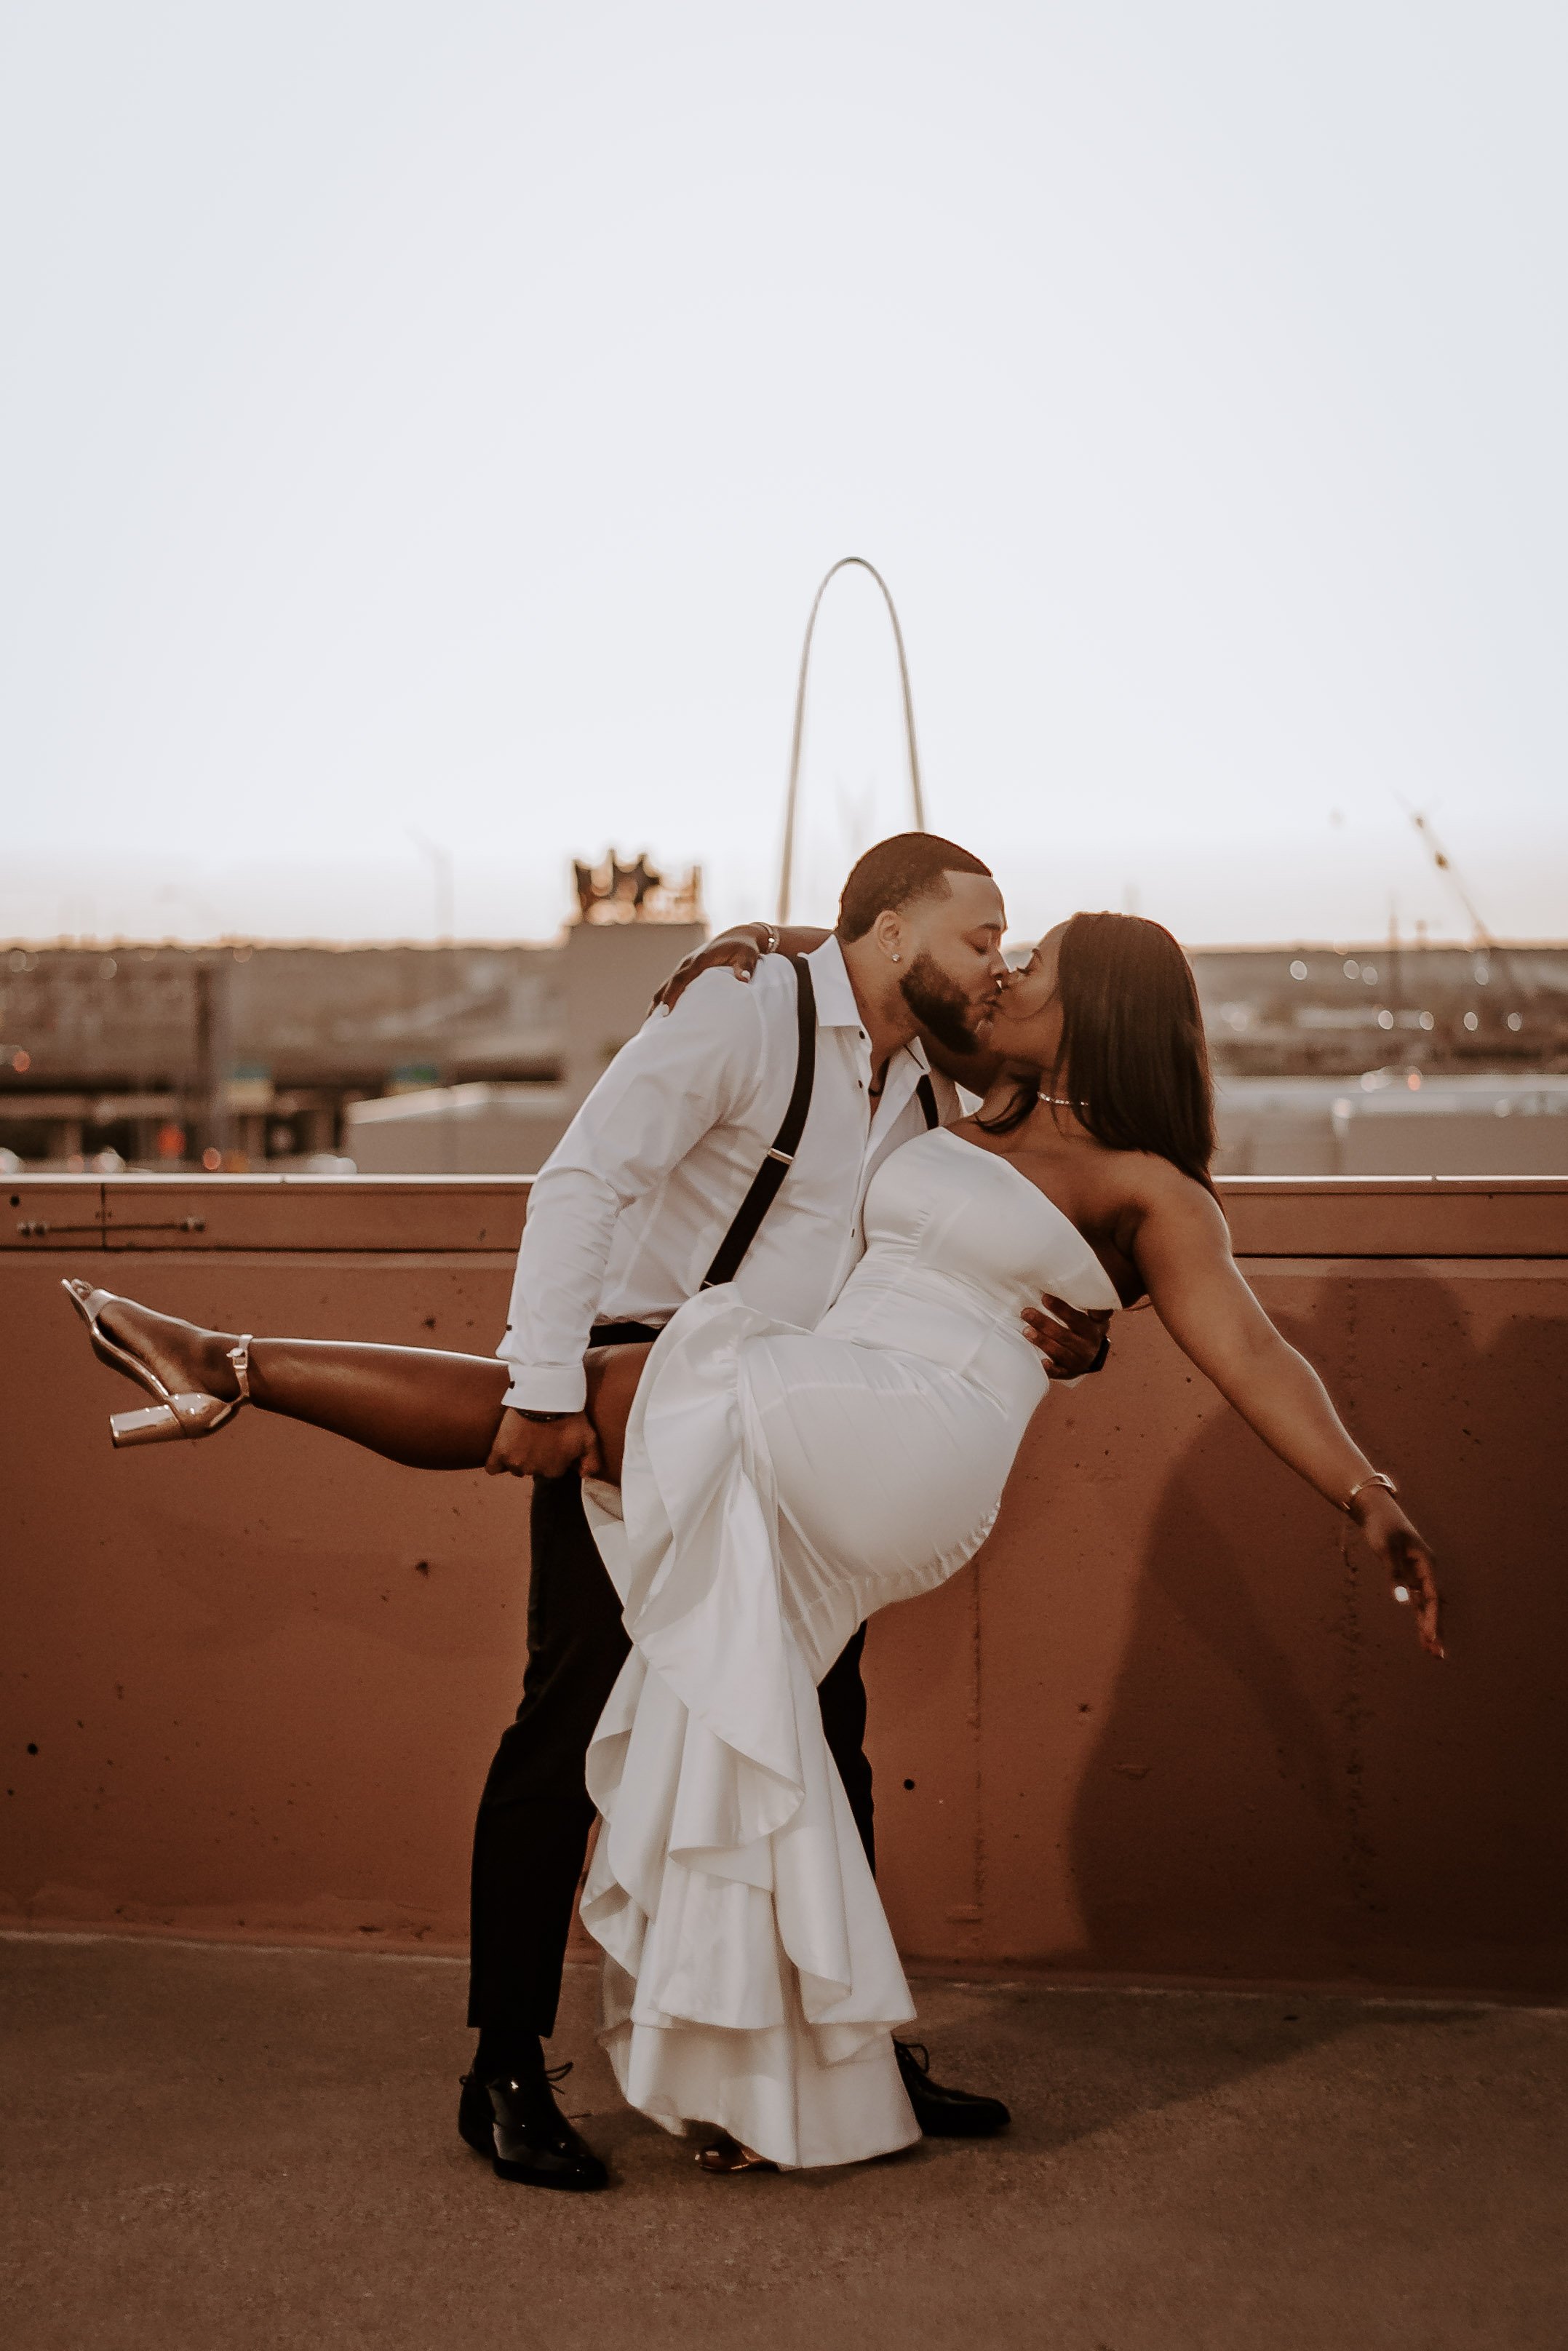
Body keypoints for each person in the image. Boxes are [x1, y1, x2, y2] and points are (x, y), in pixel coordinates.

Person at [62, 898, 1442, 2178]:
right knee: (701, 1733)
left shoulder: (1147, 1186)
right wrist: (771, 933)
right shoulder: (930, 1077)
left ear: (1107, 1019)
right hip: (781, 1407)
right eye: (992, 945)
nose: (1003, 971)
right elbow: (852, 982)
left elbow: (1250, 1351)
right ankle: (567, 2073)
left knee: (622, 1450)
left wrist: (1362, 1487)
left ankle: (229, 1369)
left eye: (1033, 966)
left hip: (884, 1433)